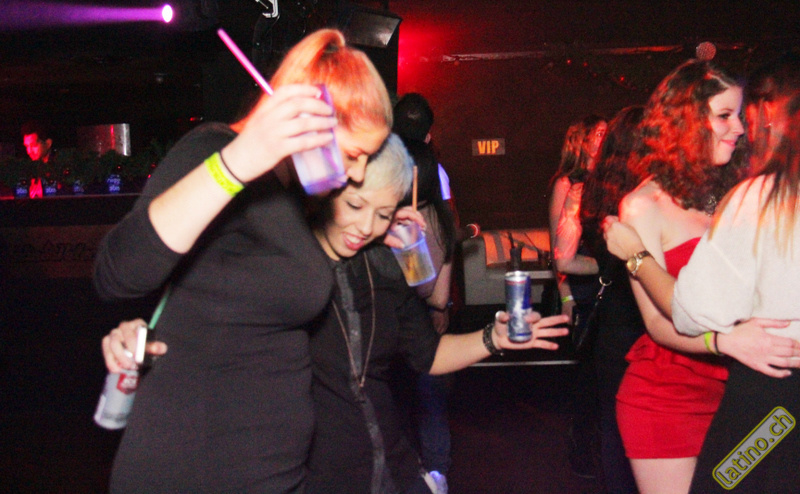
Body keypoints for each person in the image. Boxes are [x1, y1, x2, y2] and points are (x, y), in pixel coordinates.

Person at [101, 134, 571, 493]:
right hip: (314, 477)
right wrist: (136, 334)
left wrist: (494, 338)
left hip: (393, 469)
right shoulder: (283, 275)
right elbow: (204, 320)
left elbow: (427, 355)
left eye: (383, 214)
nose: (366, 226)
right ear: (324, 194)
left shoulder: (382, 265)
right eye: (355, 205)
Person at [93, 29, 394, 493]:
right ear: (307, 121)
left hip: (264, 472)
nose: (356, 174)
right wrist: (237, 162)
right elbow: (118, 272)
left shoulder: (290, 194)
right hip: (196, 469)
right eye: (354, 155)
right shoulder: (214, 151)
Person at [603, 53, 800, 494]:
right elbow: (657, 324)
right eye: (724, 115)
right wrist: (725, 341)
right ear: (685, 122)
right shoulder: (643, 205)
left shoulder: (745, 191)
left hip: (746, 392)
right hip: (670, 400)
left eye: (740, 115)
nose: (740, 128)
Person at [393, 92, 460, 491]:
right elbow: (432, 292)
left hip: (393, 321)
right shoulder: (436, 206)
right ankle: (436, 473)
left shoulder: (387, 211)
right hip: (417, 317)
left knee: (399, 402)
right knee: (429, 396)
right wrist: (441, 305)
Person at [578, 105, 646, 494]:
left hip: (615, 321)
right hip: (641, 318)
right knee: (638, 427)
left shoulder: (598, 191)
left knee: (614, 424)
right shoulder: (645, 202)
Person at [547, 113, 607, 478]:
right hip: (582, 288)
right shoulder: (566, 184)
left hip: (607, 286)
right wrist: (566, 296)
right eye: (598, 133)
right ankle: (581, 448)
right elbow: (558, 249)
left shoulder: (610, 182)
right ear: (581, 141)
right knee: (588, 377)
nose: (604, 138)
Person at [20, 120, 55, 198]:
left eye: (34, 145)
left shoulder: (60, 165)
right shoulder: (29, 167)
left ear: (48, 143)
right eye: (26, 146)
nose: (29, 151)